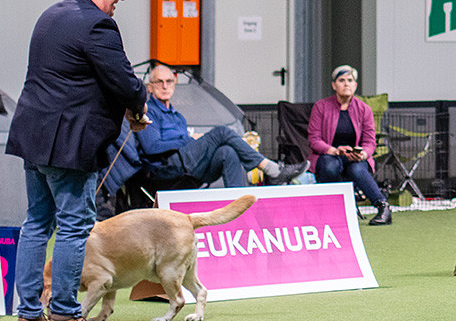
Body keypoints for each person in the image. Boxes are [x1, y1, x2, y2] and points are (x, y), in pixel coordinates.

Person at [6, 0, 150, 321]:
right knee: (74, 226)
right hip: (69, 141)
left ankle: (29, 316)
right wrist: (140, 103)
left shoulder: (50, 15)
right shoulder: (97, 23)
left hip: (33, 135)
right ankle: (67, 316)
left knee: (36, 223)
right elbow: (123, 79)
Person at [138, 64, 304, 188]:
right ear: (150, 87)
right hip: (167, 169)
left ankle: (240, 208)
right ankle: (271, 169)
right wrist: (186, 140)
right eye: (159, 82)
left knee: (227, 152)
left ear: (175, 84)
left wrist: (189, 140)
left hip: (189, 167)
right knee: (221, 132)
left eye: (169, 81)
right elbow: (151, 147)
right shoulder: (148, 111)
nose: (165, 86)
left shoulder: (178, 116)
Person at [307, 65, 392, 225]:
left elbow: (369, 141)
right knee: (329, 166)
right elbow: (314, 139)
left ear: (355, 85)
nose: (346, 84)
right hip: (329, 155)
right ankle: (338, 208)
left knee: (357, 168)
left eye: (350, 80)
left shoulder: (364, 109)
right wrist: (334, 150)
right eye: (341, 80)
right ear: (334, 85)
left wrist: (363, 154)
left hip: (354, 157)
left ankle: (383, 207)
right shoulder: (320, 107)